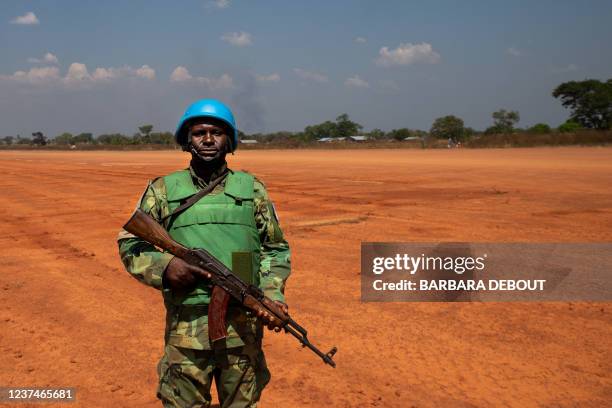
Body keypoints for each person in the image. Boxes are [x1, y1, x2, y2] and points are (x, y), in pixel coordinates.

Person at [117, 99, 291, 407]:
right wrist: (166, 266)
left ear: (230, 140)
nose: (208, 140)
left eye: (217, 132)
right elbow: (131, 242)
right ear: (187, 140)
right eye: (199, 133)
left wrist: (272, 296)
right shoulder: (163, 190)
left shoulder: (252, 189)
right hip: (185, 337)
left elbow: (275, 249)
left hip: (243, 336)